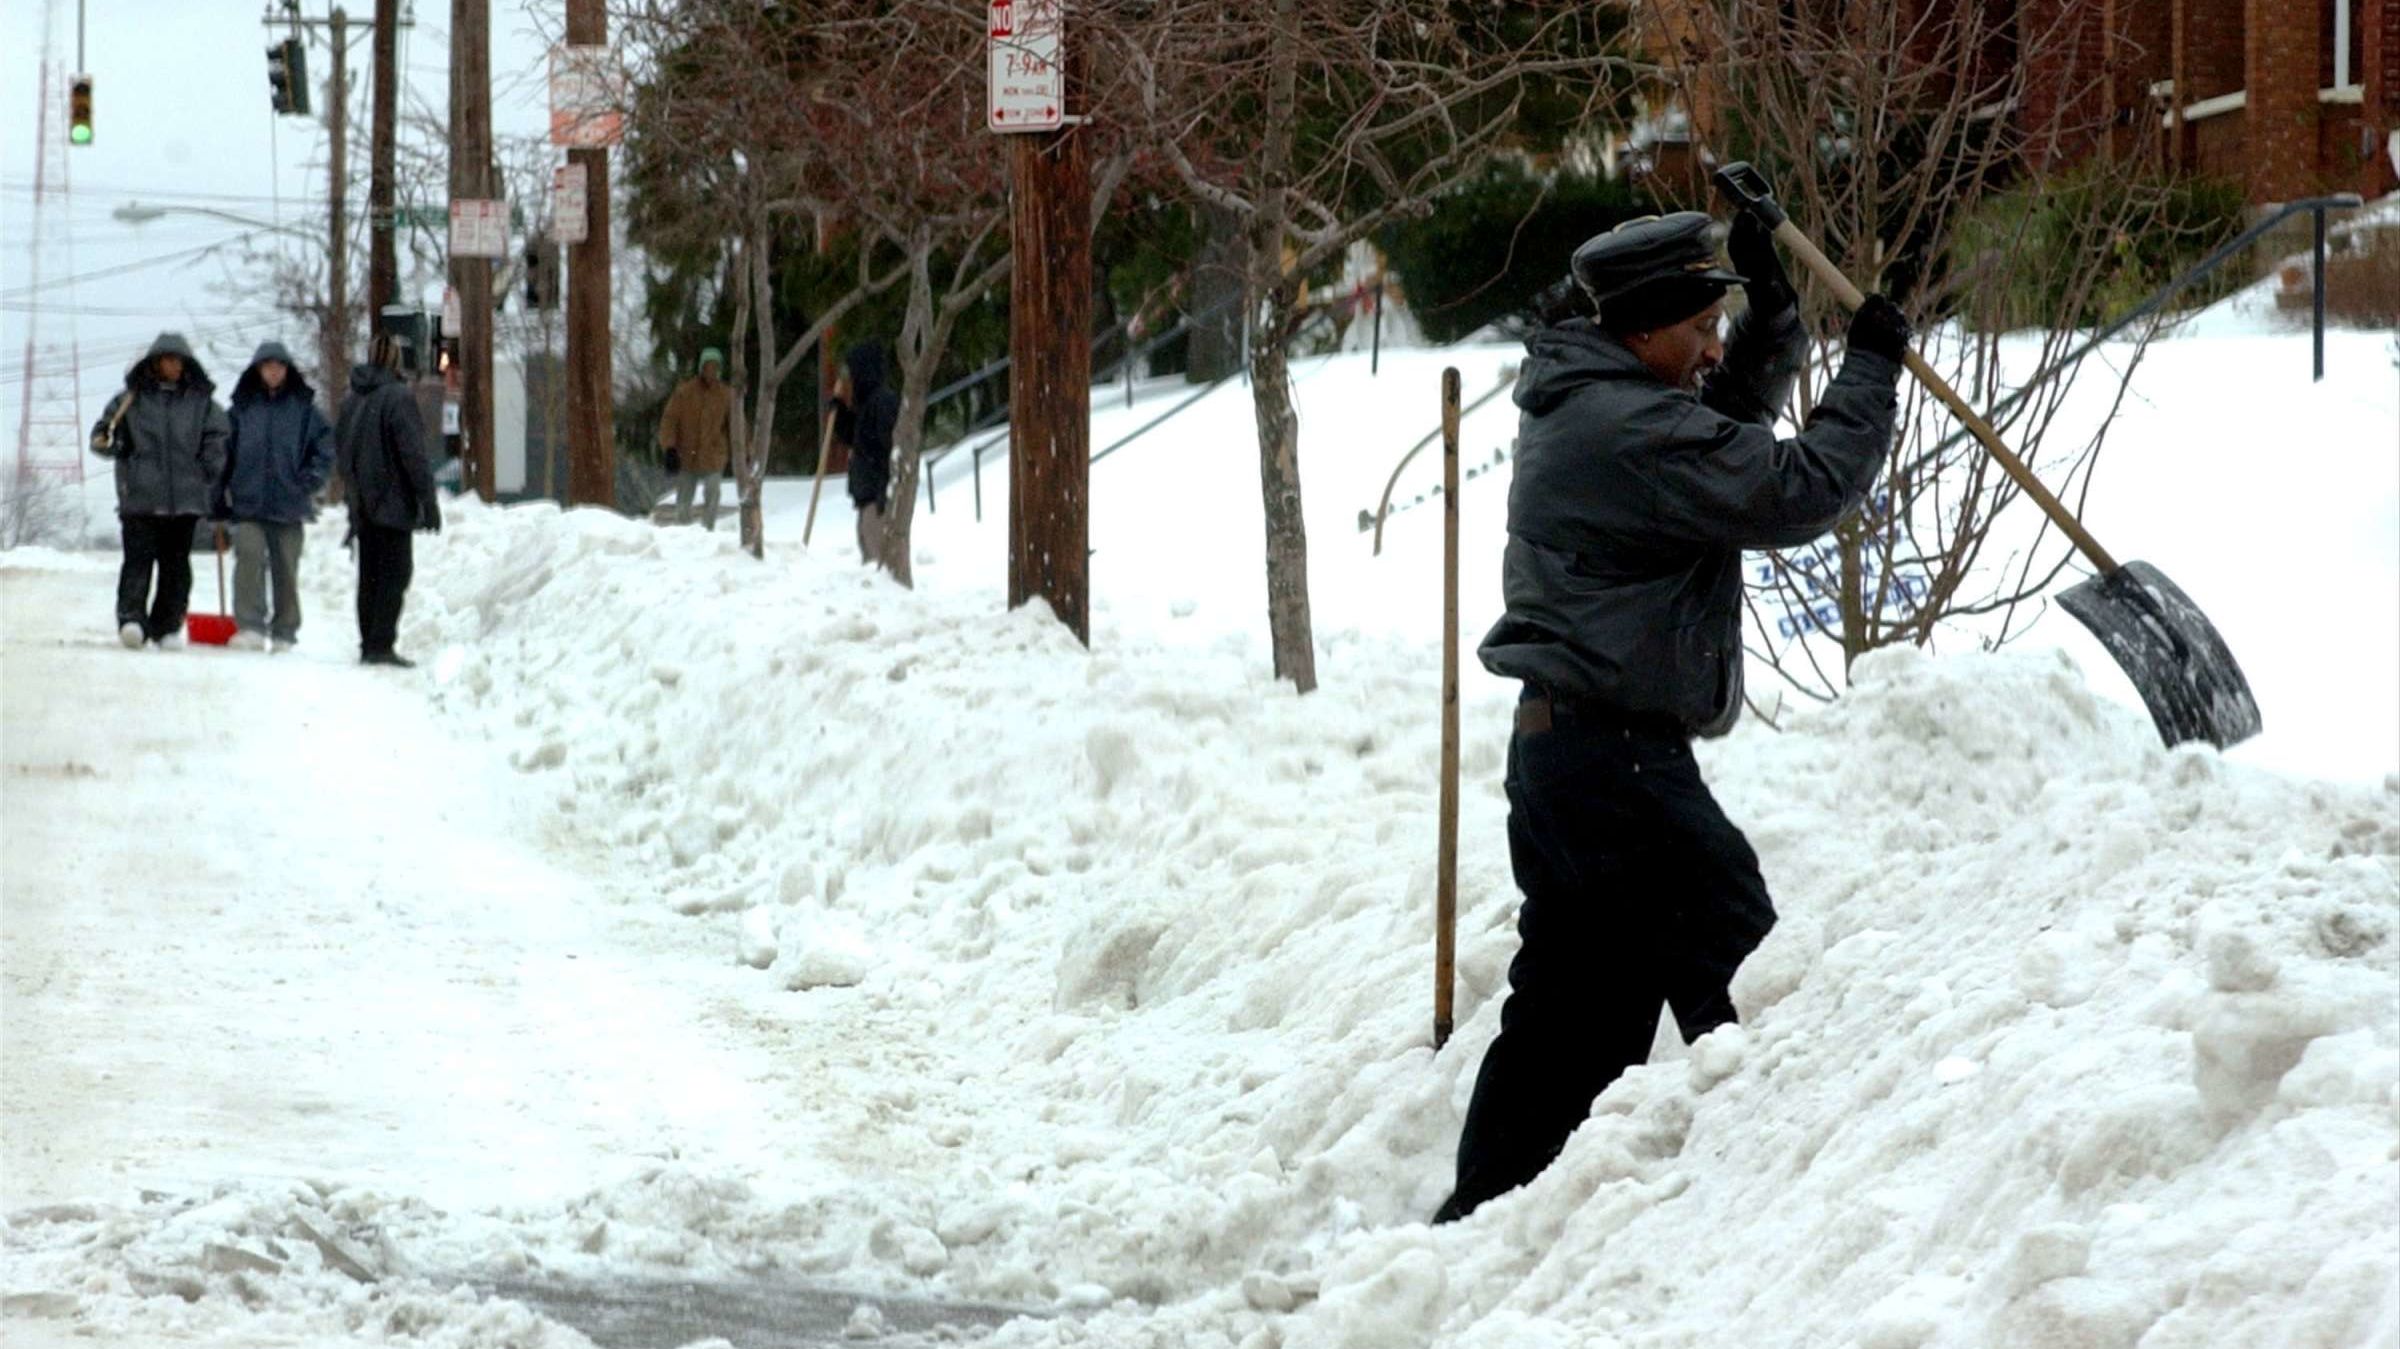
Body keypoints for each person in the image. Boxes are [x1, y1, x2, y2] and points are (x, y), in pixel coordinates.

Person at [1434, 211, 1913, 1223]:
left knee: (1574, 1013)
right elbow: (1793, 488)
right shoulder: (1629, 429)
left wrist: (1772, 321)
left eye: (1716, 325)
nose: (1710, 347)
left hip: (1568, 757)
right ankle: (1785, 1196)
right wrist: (1870, 370)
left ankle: (1481, 1221)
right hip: (1617, 768)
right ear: (1642, 328)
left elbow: (1719, 432)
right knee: (1745, 976)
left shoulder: (1598, 399)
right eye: (1699, 327)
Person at [89, 332, 229, 649]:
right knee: (137, 562)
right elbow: (104, 435)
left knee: (176, 566)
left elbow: (218, 437)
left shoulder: (202, 404)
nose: (174, 366)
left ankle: (167, 626)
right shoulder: (129, 400)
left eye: (179, 361)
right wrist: (113, 443)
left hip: (185, 499)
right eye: (168, 360)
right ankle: (132, 620)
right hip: (140, 498)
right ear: (154, 363)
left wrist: (208, 468)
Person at [217, 340, 334, 651]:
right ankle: (250, 626)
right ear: (257, 370)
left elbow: (324, 448)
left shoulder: (304, 411)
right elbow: (222, 455)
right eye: (267, 366)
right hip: (248, 503)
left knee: (286, 568)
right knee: (249, 558)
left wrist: (311, 479)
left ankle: (285, 630)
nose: (273, 371)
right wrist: (218, 495)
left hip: (290, 503)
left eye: (279, 366)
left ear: (287, 370)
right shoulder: (241, 410)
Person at [336, 333, 441, 668]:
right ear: (397, 360)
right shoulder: (398, 397)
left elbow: (342, 451)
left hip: (363, 504)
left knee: (369, 575)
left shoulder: (352, 399)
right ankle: (381, 644)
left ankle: (369, 642)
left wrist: (355, 494)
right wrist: (427, 499)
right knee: (395, 574)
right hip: (394, 503)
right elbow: (413, 453)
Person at [832, 342, 898, 566]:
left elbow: (889, 450)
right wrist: (840, 412)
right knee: (869, 562)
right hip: (866, 498)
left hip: (878, 500)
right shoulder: (866, 405)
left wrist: (883, 493)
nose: (848, 379)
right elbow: (856, 439)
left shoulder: (883, 403)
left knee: (879, 564)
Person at [659, 347, 734, 529]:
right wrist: (669, 447)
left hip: (713, 454)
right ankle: (683, 531)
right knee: (684, 497)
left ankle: (707, 530)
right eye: (708, 366)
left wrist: (744, 451)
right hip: (687, 454)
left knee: (712, 491)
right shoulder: (684, 393)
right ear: (701, 368)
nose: (711, 371)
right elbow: (669, 420)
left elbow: (736, 426)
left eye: (715, 367)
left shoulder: (726, 395)